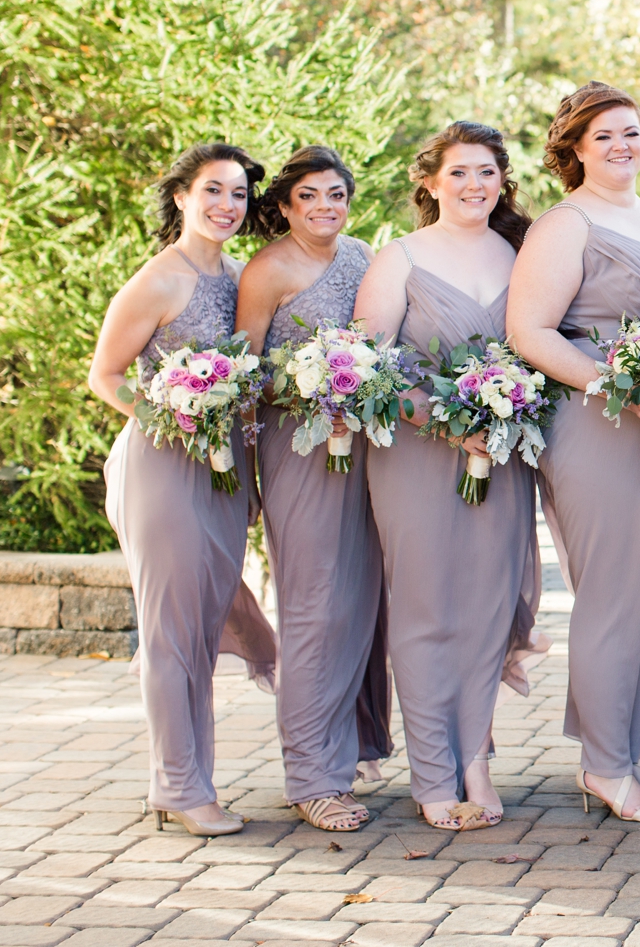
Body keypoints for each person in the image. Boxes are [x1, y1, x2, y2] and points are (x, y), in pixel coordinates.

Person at [507, 83, 640, 824]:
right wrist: (614, 383)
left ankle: (630, 751)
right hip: (598, 421)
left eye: (633, 132)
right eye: (605, 136)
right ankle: (603, 763)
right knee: (613, 595)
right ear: (576, 149)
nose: (623, 146)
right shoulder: (565, 224)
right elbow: (531, 331)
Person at [354, 121, 542, 832]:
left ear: (503, 182)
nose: (474, 186)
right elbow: (365, 368)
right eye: (459, 173)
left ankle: (476, 762)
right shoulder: (398, 259)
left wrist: (503, 410)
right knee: (428, 611)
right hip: (415, 457)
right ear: (430, 183)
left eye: (487, 172)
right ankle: (433, 773)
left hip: (499, 453)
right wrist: (443, 419)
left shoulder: (519, 254)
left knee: (487, 613)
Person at [89, 143, 267, 836]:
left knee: (202, 625)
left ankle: (192, 777)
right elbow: (106, 376)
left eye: (239, 195)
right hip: (162, 466)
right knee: (171, 633)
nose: (227, 206)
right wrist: (179, 416)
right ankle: (179, 786)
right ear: (182, 197)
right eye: (213, 191)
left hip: (222, 469)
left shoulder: (235, 275)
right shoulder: (159, 281)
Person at [236, 146, 391, 833]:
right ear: (285, 205)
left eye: (336, 195)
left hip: (361, 447)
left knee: (359, 599)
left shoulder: (360, 256)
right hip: (298, 449)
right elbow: (245, 373)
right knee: (314, 606)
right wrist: (310, 377)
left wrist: (354, 377)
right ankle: (310, 777)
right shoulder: (268, 270)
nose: (325, 208)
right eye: (310, 197)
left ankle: (346, 751)